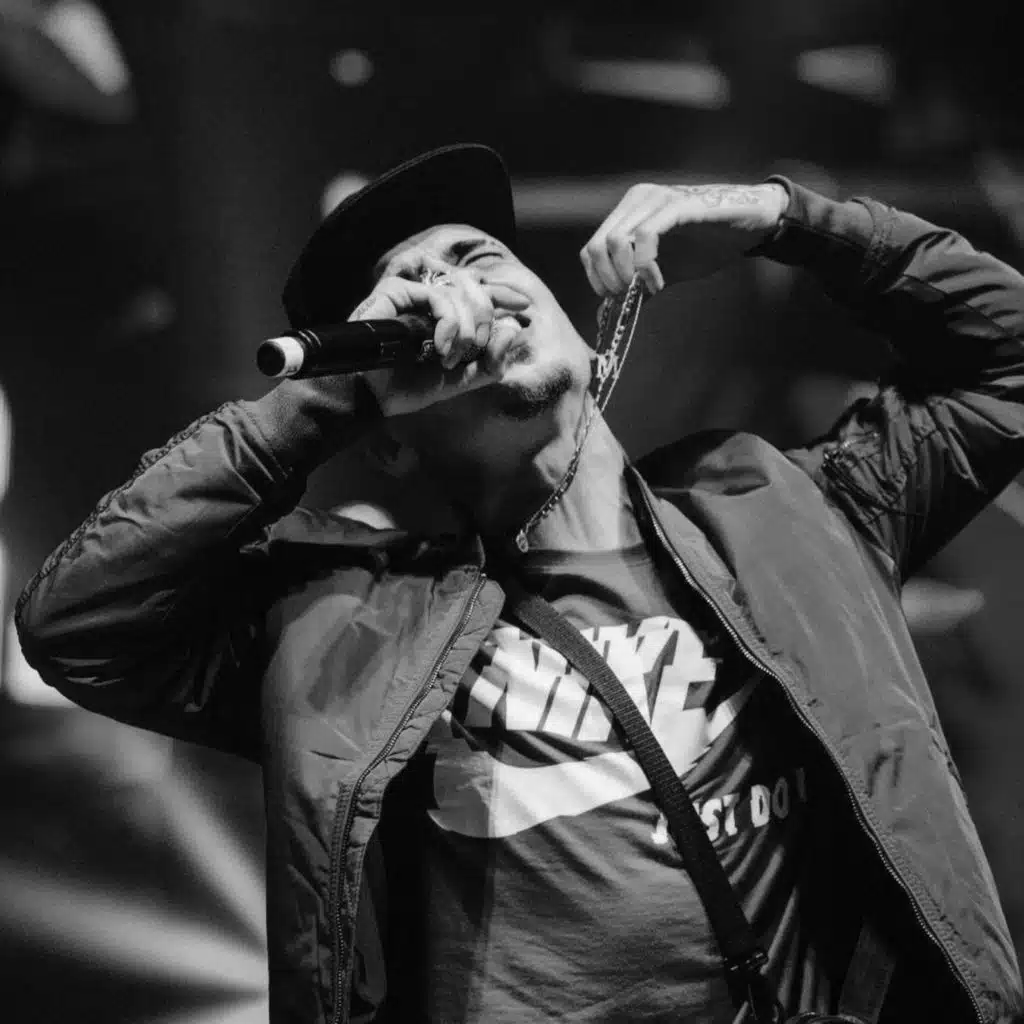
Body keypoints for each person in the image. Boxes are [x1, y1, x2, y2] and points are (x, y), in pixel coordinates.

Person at [15, 142, 1024, 1024]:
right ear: (390, 441)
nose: (447, 291)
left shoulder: (792, 510)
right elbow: (79, 621)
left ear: (586, 341)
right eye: (406, 289)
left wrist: (783, 218)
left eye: (476, 259)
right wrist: (325, 399)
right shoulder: (339, 628)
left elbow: (1007, 357)